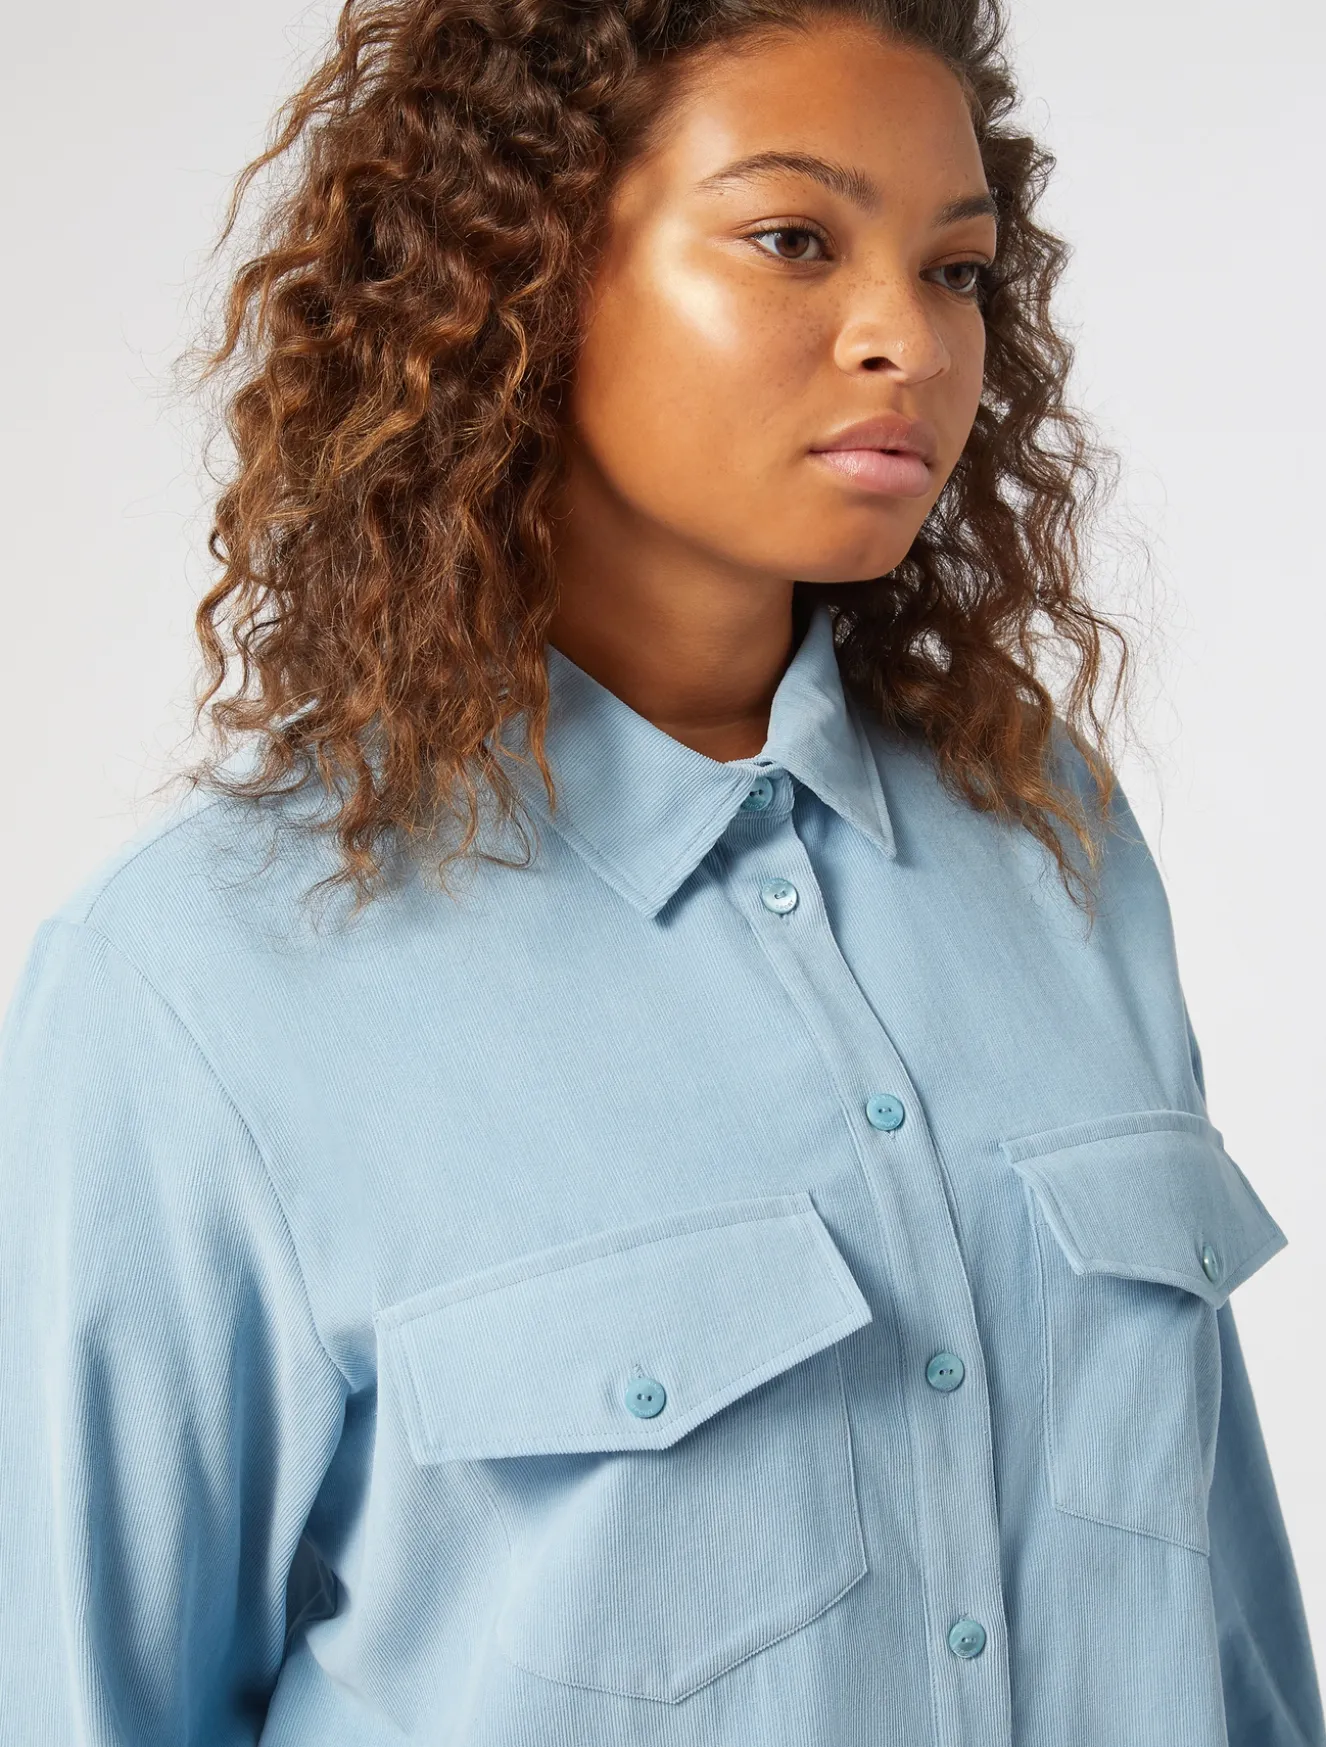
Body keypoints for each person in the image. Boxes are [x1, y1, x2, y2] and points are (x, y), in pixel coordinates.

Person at [0, 0, 1320, 1741]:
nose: (908, 340)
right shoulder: (198, 983)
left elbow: (1229, 1631)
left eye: (955, 271)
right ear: (523, 273)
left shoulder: (1048, 837)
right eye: (793, 240)